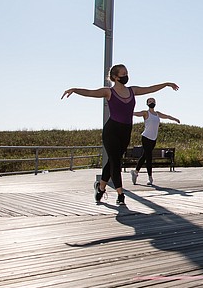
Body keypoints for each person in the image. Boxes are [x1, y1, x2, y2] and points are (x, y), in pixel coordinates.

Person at [62, 64, 179, 205]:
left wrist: (166, 84)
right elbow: (91, 92)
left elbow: (149, 88)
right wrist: (74, 90)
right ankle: (120, 194)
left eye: (127, 73)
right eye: (123, 74)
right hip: (111, 130)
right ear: (115, 77)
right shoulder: (109, 92)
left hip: (125, 131)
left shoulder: (132, 90)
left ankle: (100, 187)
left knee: (113, 160)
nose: (126, 76)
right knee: (115, 162)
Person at [130, 97, 181, 186]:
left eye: (153, 101)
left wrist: (175, 119)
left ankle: (135, 172)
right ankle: (150, 177)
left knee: (144, 156)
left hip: (153, 139)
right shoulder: (146, 113)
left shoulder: (157, 114)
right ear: (147, 104)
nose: (152, 102)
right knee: (149, 157)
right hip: (146, 137)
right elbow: (135, 113)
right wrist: (125, 111)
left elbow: (167, 116)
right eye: (150, 101)